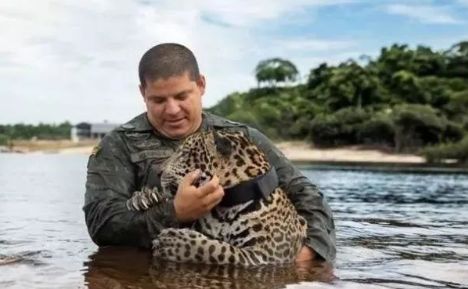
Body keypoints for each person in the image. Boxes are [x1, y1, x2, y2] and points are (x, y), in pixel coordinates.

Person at [84, 43, 336, 263]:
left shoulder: (240, 139)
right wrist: (174, 212)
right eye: (159, 100)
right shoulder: (118, 145)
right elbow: (101, 224)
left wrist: (309, 253)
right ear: (143, 93)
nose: (172, 109)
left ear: (201, 85)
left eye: (182, 96)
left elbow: (307, 195)